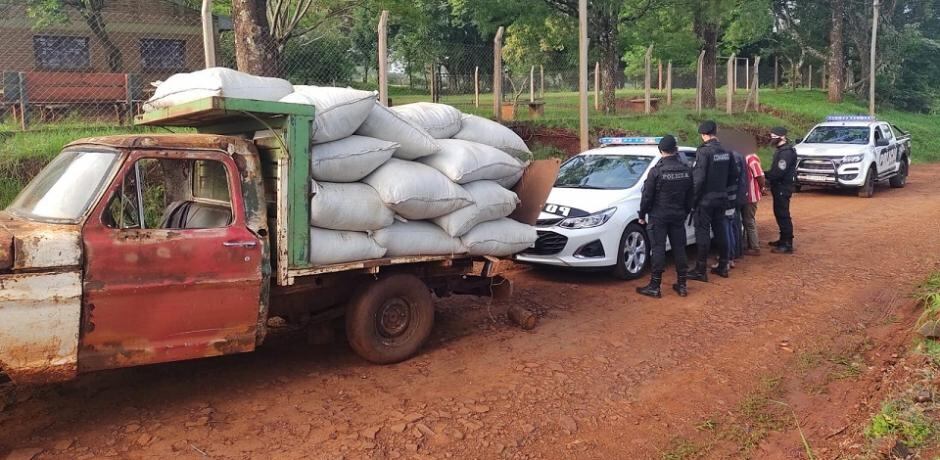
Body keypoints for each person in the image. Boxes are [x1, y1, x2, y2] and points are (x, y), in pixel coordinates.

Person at [636, 135, 694, 298]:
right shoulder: (686, 169)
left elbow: (647, 196)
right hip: (678, 215)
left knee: (658, 249)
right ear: (676, 149)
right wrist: (685, 211)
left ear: (661, 151)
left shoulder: (656, 171)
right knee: (679, 248)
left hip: (658, 216)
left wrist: (642, 214)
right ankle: (682, 285)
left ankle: (655, 286)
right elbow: (691, 195)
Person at [689, 121, 738, 282]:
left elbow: (699, 178)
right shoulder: (727, 149)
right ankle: (723, 265)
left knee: (702, 233)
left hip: (705, 200)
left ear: (703, 134)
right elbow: (733, 174)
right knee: (721, 231)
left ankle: (701, 270)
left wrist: (693, 200)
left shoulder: (703, 152)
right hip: (721, 197)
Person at [765, 126, 798, 254]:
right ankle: (782, 239)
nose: (772, 139)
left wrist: (765, 176)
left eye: (774, 136)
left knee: (783, 214)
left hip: (782, 187)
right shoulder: (781, 150)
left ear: (782, 137)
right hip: (779, 186)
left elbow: (779, 172)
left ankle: (787, 243)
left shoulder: (786, 152)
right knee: (779, 213)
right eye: (771, 136)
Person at [742, 150, 767, 255]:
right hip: (745, 195)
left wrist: (762, 188)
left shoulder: (750, 157)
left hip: (750, 196)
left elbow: (760, 176)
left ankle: (754, 247)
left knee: (749, 221)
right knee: (747, 220)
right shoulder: (744, 156)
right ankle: (751, 244)